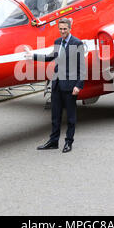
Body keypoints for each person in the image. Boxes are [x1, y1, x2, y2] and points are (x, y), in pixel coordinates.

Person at [24, 18, 86, 153]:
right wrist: (32, 55)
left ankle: (68, 142)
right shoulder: (58, 42)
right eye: (61, 29)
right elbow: (50, 57)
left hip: (70, 85)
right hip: (57, 84)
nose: (62, 31)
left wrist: (79, 85)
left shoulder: (77, 43)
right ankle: (53, 141)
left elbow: (82, 67)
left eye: (65, 29)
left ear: (70, 28)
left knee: (70, 117)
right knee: (55, 116)